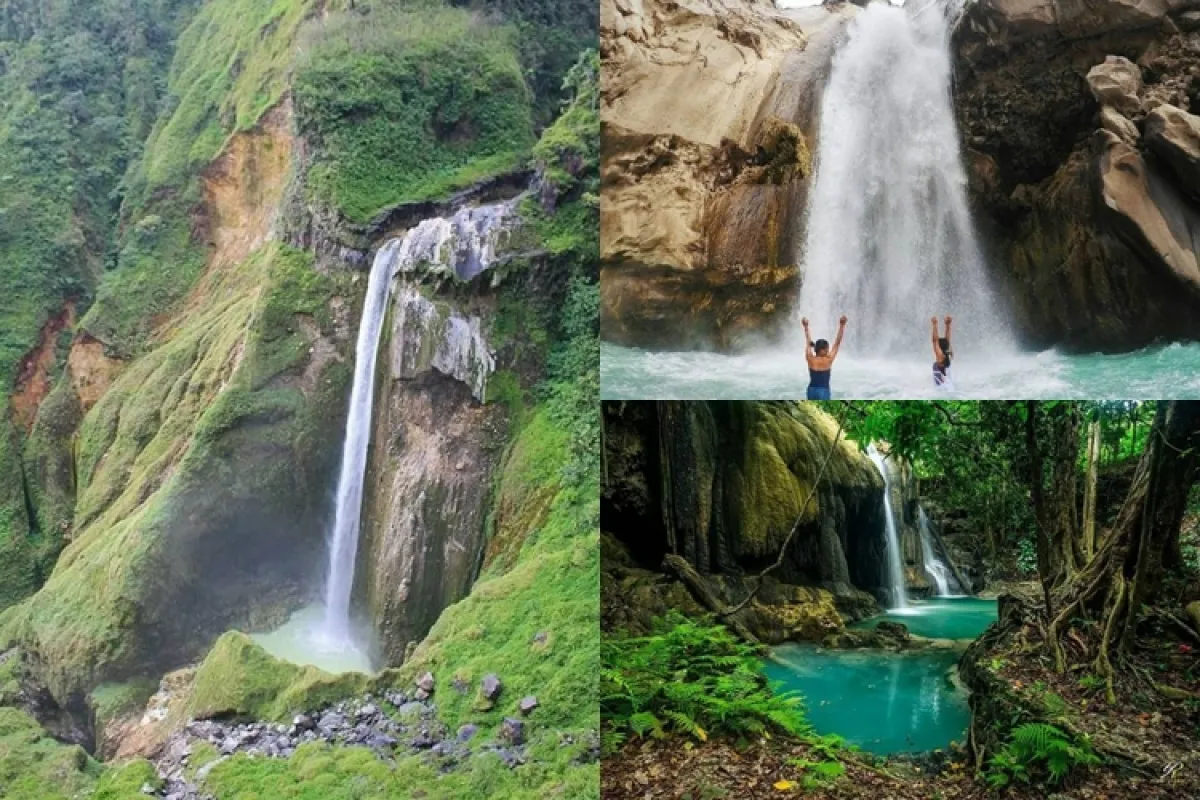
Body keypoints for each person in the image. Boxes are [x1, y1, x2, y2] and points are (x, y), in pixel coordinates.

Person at [801, 315, 847, 400]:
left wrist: (806, 327)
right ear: (821, 350)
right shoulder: (828, 360)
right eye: (826, 349)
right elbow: (837, 343)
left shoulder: (810, 358)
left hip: (811, 390)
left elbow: (808, 342)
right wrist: (842, 326)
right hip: (823, 391)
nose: (828, 350)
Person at [931, 315, 954, 389]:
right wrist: (948, 325)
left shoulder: (940, 355)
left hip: (940, 371)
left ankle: (943, 383)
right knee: (947, 382)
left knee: (940, 386)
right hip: (945, 370)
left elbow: (935, 340)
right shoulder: (948, 352)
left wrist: (934, 325)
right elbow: (947, 339)